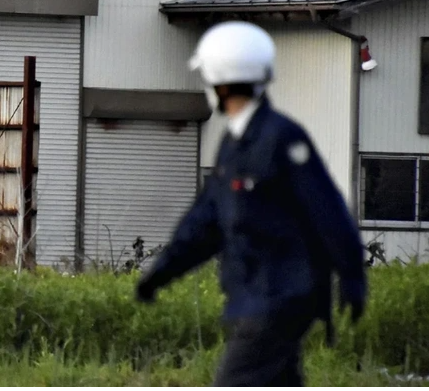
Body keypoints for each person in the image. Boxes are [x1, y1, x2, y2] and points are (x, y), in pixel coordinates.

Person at [134, 21, 368, 386]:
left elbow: (327, 210)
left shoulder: (280, 138)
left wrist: (353, 276)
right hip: (254, 294)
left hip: (280, 296)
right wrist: (161, 273)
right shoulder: (234, 144)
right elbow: (206, 222)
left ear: (221, 80)